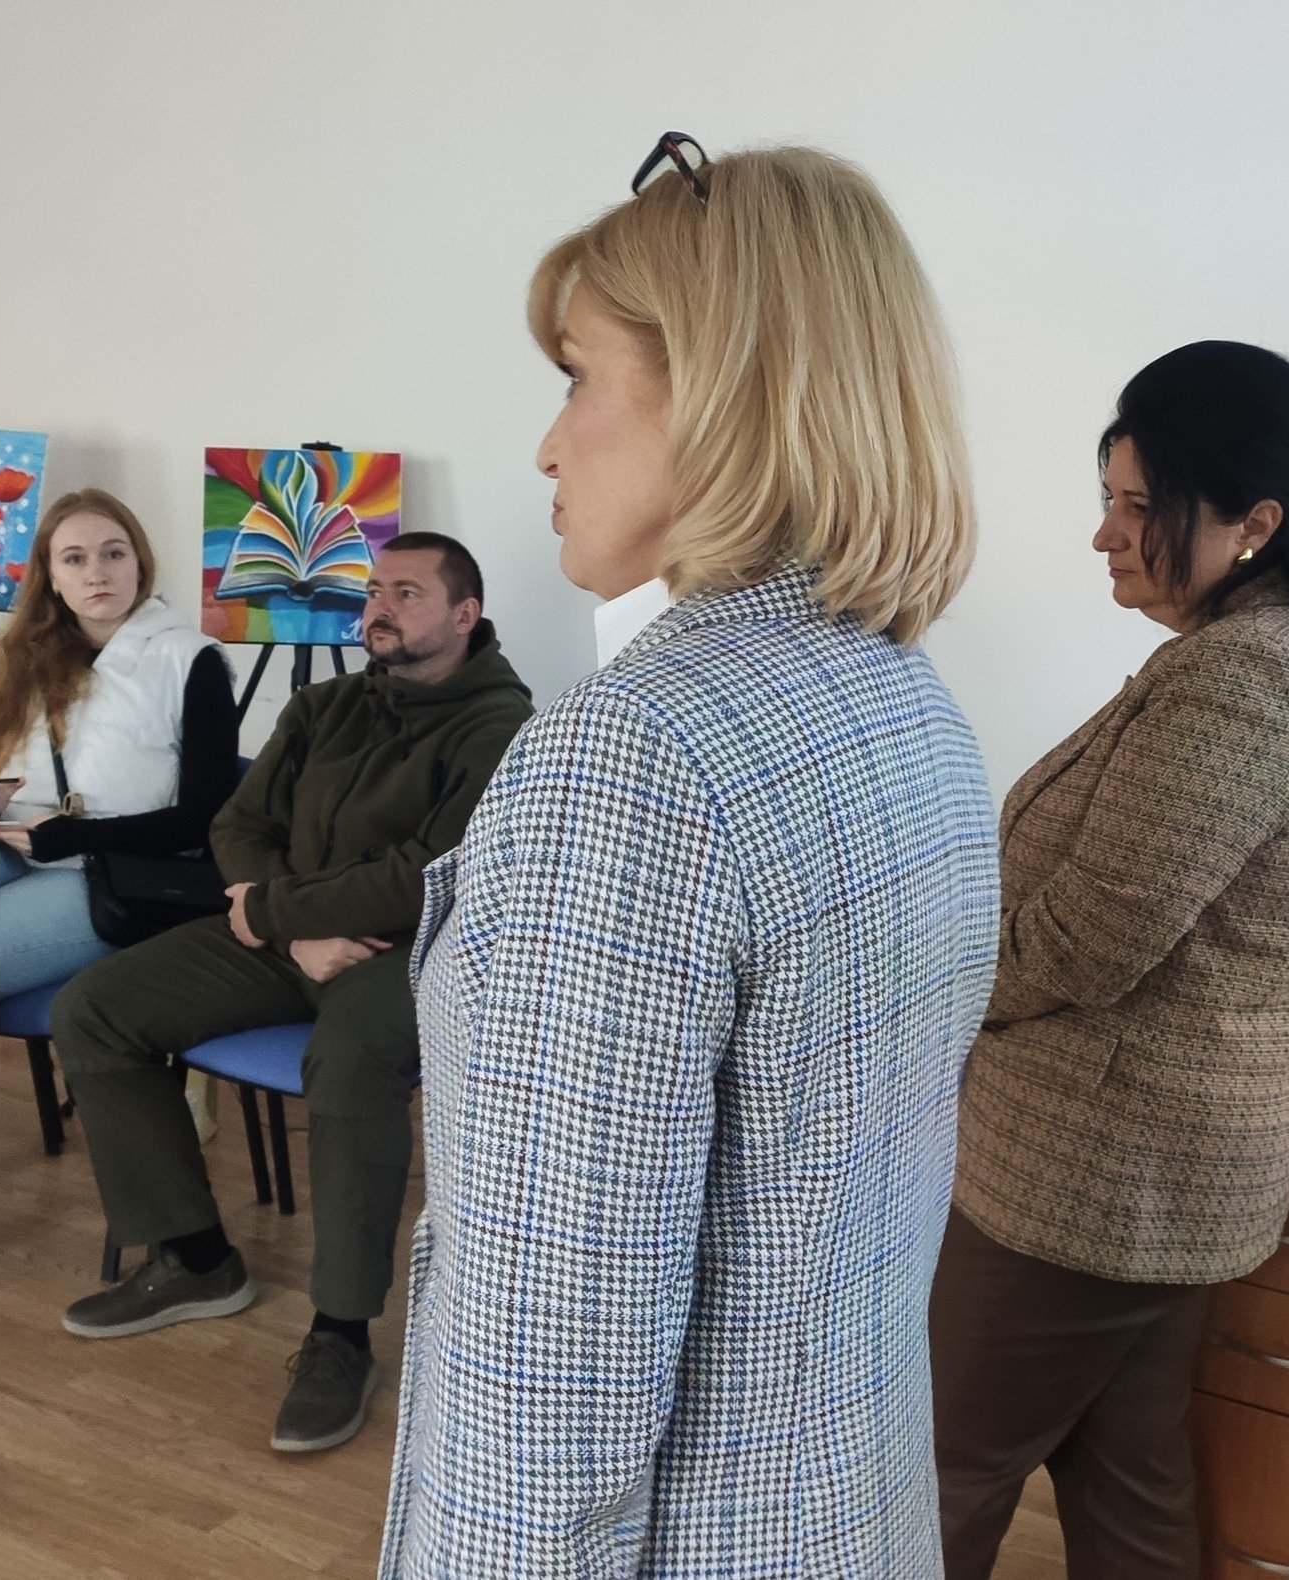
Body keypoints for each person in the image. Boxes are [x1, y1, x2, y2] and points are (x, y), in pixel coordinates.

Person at [379, 138, 1000, 1577]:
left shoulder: (633, 760)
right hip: (846, 1512)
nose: (547, 445)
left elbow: (551, 1377)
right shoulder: (906, 702)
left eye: (577, 377)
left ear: (724, 390)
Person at [931, 341, 1289, 1578]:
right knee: (1127, 1475)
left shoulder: (1239, 680)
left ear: (1254, 522)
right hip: (1164, 1169)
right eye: (1108, 498)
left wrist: (920, 987)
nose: (1105, 535)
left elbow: (1082, 942)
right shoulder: (1274, 648)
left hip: (1089, 1179)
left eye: (1139, 506)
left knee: (932, 1469)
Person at [51, 531, 532, 1454]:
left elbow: (428, 872)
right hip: (284, 937)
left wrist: (275, 910)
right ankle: (195, 1257)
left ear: (465, 615)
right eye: (375, 591)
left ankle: (342, 1335)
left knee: (348, 1066)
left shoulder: (505, 725)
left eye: (408, 593)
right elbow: (240, 824)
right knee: (94, 1008)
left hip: (408, 951)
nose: (380, 608)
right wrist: (288, 926)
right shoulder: (324, 704)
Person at [0, 488, 236, 1308]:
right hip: (7, 854)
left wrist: (77, 837)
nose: (97, 571)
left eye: (113, 552)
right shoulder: (28, 659)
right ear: (52, 576)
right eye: (75, 558)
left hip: (107, 878)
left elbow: (207, 816)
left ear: (139, 560)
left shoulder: (191, 660)